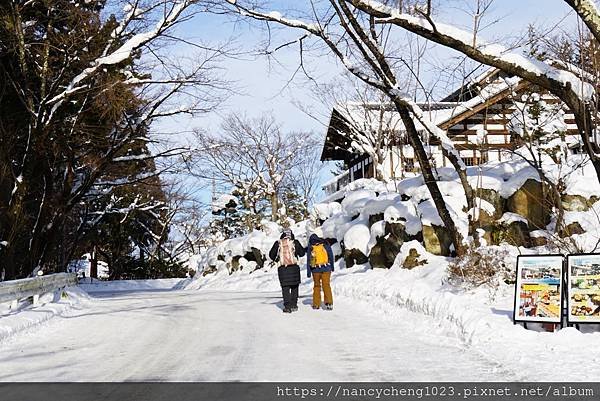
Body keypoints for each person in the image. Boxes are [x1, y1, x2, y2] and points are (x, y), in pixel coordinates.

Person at [269, 228, 306, 313]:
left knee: (285, 287)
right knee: (294, 286)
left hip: (283, 268)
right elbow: (302, 253)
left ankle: (287, 306)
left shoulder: (278, 243)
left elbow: (271, 256)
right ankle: (294, 304)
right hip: (294, 267)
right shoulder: (295, 242)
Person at [306, 232, 335, 310]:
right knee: (326, 285)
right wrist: (332, 266)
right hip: (326, 268)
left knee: (317, 286)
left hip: (315, 270)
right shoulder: (324, 244)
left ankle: (316, 304)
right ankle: (329, 303)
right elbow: (330, 255)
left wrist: (308, 272)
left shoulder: (311, 246)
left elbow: (309, 260)